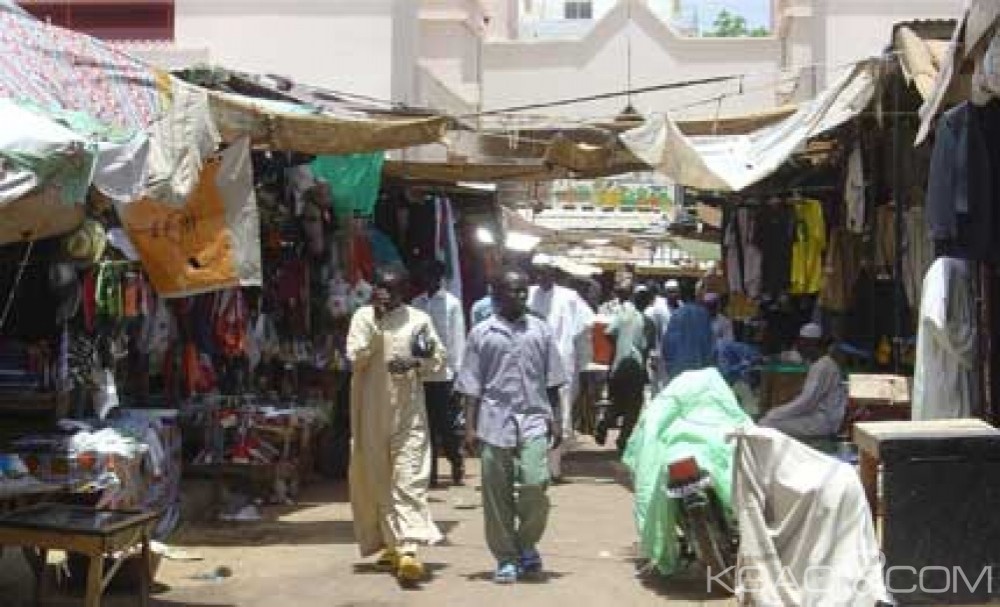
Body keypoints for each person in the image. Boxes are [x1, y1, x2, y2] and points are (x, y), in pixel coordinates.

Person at [456, 268, 566, 585]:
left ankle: (526, 542)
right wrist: (469, 428)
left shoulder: (541, 331)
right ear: (496, 295)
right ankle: (506, 557)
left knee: (536, 483)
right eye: (512, 290)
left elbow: (553, 381)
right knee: (496, 494)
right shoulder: (481, 334)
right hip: (493, 421)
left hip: (533, 419)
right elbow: (471, 385)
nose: (519, 296)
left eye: (523, 290)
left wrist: (557, 420)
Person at [345, 267, 445, 584]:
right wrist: (376, 323)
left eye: (390, 289)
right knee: (379, 481)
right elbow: (356, 357)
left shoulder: (418, 320)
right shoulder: (362, 317)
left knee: (409, 478)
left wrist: (415, 362)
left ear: (403, 292)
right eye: (379, 287)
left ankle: (409, 549)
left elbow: (438, 359)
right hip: (370, 413)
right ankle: (392, 542)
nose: (383, 293)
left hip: (409, 414)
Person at [527, 257, 593, 481]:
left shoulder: (569, 297)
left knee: (560, 414)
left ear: (554, 273)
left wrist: (584, 363)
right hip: (532, 362)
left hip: (562, 363)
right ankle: (534, 465)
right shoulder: (527, 294)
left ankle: (554, 468)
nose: (541, 276)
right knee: (534, 412)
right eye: (537, 272)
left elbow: (586, 324)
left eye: (545, 272)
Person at [412, 260, 466, 487]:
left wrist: (458, 375)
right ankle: (430, 472)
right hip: (421, 374)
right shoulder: (417, 303)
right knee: (425, 426)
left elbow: (457, 339)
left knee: (445, 425)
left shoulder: (452, 304)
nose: (430, 281)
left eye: (433, 277)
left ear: (440, 278)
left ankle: (455, 459)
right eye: (426, 277)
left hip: (444, 375)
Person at [759, 323, 848, 438]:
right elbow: (791, 356)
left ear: (812, 345)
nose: (800, 350)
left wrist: (775, 413)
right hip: (817, 416)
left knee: (767, 423)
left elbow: (806, 402)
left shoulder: (822, 367)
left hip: (824, 421)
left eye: (803, 345)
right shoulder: (820, 363)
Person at [598, 286, 654, 454]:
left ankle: (606, 422)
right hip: (635, 367)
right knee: (634, 405)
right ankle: (623, 438)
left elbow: (608, 333)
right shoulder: (648, 322)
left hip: (618, 366)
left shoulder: (622, 316)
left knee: (617, 401)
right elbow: (647, 347)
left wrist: (619, 346)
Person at [661, 285, 714, 382]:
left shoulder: (676, 314)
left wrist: (669, 366)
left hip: (680, 370)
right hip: (701, 367)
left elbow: (668, 343)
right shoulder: (703, 313)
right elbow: (709, 340)